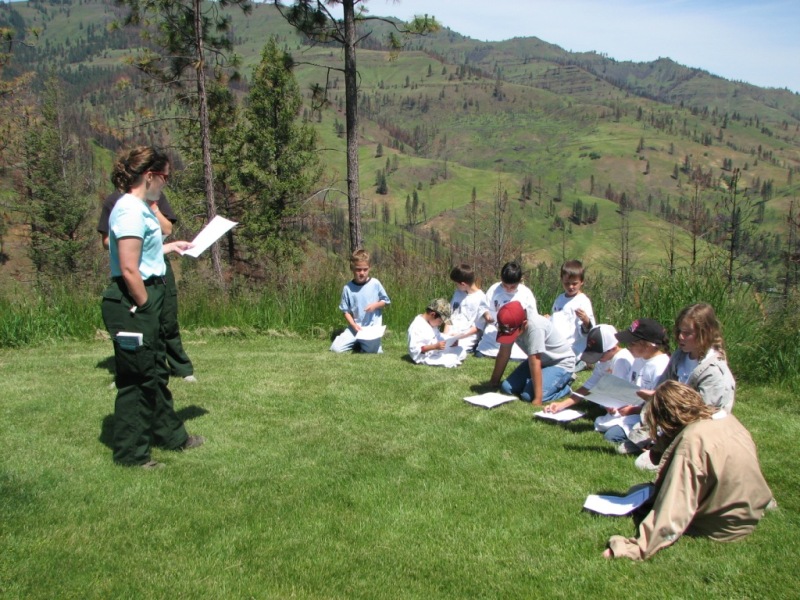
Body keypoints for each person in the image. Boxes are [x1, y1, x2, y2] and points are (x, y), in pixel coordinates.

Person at [101, 146, 203, 468]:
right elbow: (130, 268)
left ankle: (169, 435)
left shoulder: (140, 208)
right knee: (137, 379)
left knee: (156, 371)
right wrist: (145, 305)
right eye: (165, 177)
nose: (166, 183)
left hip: (148, 295)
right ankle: (131, 455)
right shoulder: (129, 209)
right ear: (150, 176)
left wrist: (170, 246)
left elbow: (144, 251)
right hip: (134, 300)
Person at [603, 381, 774, 561]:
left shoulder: (692, 442)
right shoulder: (725, 419)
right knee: (641, 493)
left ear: (666, 416)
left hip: (724, 524)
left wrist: (631, 549)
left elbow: (675, 505)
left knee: (641, 495)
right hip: (752, 507)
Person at [99, 191, 196, 382]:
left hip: (157, 264)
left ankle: (180, 368)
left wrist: (154, 208)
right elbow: (106, 242)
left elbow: (167, 229)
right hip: (134, 267)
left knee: (167, 319)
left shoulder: (155, 197)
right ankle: (132, 372)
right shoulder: (117, 203)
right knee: (138, 323)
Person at [634, 303, 736, 470]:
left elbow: (703, 415)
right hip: (671, 422)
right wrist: (654, 396)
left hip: (697, 431)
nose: (680, 337)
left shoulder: (714, 371)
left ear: (705, 333)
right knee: (633, 443)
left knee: (642, 463)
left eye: (687, 333)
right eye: (679, 331)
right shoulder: (680, 357)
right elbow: (663, 387)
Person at [597, 318, 671, 454]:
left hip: (647, 417)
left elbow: (659, 403)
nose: (628, 347)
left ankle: (645, 444)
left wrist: (634, 410)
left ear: (648, 345)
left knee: (611, 435)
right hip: (629, 410)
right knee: (603, 426)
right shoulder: (638, 360)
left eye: (632, 343)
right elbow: (630, 387)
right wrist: (614, 403)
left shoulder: (662, 366)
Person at [489, 300, 575, 405]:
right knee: (506, 388)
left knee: (528, 396)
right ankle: (538, 381)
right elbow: (504, 353)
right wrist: (494, 381)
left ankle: (565, 385)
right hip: (541, 361)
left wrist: (538, 399)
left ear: (524, 324)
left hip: (559, 363)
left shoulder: (535, 328)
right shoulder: (509, 324)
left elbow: (535, 362)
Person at [545, 324, 634, 413]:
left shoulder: (622, 360)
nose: (598, 359)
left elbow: (621, 395)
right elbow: (587, 387)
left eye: (600, 355)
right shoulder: (604, 360)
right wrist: (561, 405)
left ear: (613, 348)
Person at [330, 249, 391, 354]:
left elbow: (385, 301)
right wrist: (353, 325)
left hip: (371, 328)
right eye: (358, 270)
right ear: (352, 269)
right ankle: (355, 340)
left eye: (365, 269)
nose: (362, 273)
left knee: (372, 351)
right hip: (355, 327)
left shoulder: (375, 284)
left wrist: (375, 305)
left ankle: (364, 343)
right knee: (336, 348)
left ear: (369, 268)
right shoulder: (348, 288)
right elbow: (345, 311)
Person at [475, 261, 537, 361]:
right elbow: (483, 306)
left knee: (517, 356)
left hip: (516, 334)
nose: (508, 289)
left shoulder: (526, 293)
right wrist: (486, 314)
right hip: (494, 332)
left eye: (512, 287)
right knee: (480, 353)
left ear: (519, 281)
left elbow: (533, 316)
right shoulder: (494, 289)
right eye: (505, 286)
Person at [549, 260, 595, 371]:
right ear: (562, 281)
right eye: (567, 283)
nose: (571, 287)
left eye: (574, 283)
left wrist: (586, 321)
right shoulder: (559, 299)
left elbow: (589, 330)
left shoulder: (583, 301)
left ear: (581, 282)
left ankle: (581, 362)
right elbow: (555, 320)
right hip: (559, 344)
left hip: (575, 346)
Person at [407, 298, 467, 368]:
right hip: (424, 357)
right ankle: (451, 359)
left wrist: (451, 342)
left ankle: (451, 358)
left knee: (461, 350)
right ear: (432, 314)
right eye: (440, 321)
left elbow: (438, 337)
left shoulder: (431, 323)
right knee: (451, 361)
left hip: (436, 351)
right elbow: (415, 349)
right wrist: (434, 347)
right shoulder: (416, 326)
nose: (440, 324)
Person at [447, 264, 492, 353]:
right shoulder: (458, 293)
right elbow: (449, 316)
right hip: (452, 332)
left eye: (456, 284)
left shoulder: (481, 298)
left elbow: (477, 327)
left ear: (463, 284)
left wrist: (458, 336)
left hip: (467, 336)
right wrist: (445, 334)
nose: (456, 286)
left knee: (450, 349)